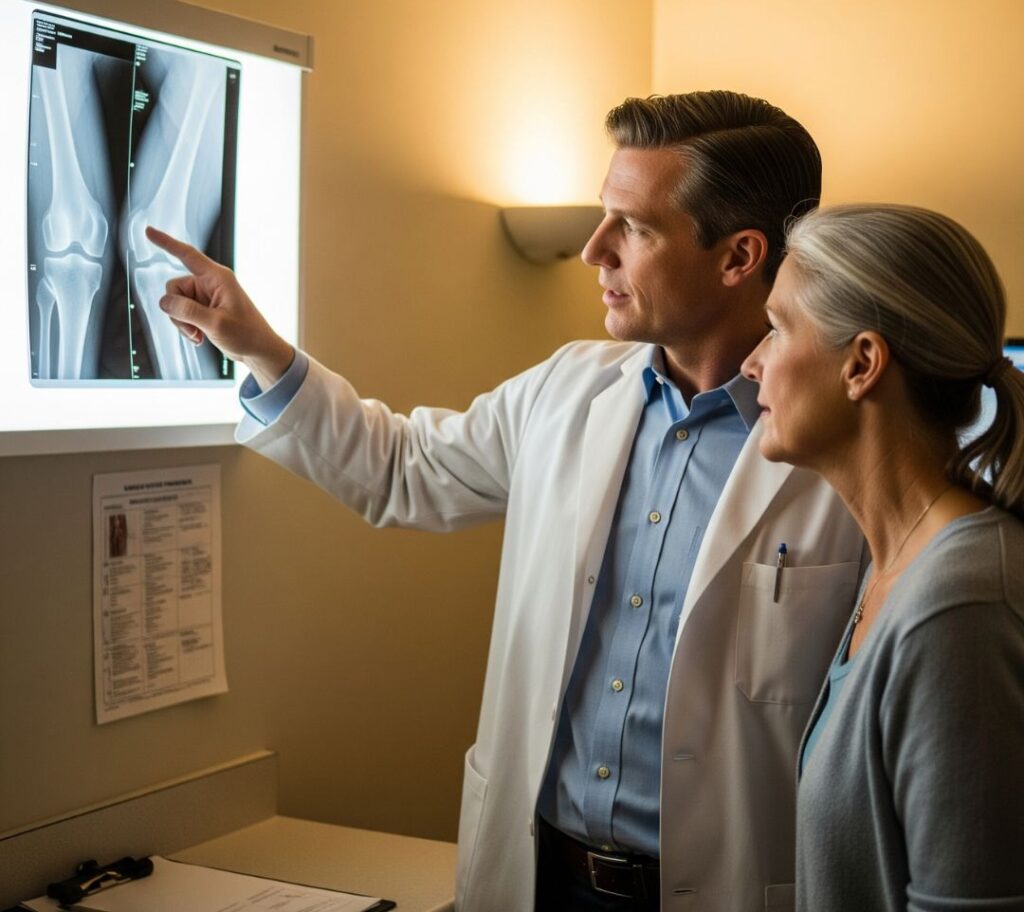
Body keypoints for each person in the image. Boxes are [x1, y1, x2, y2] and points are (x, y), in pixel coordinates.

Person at [147, 91, 866, 912]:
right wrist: (262, 351)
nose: (594, 249)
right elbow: (402, 471)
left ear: (739, 256)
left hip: (736, 889)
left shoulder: (847, 439)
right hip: (538, 877)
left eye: (632, 227)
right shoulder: (569, 388)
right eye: (603, 217)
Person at [741, 203, 1024, 911]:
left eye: (776, 329)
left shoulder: (959, 607)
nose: (752, 361)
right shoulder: (897, 566)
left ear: (862, 363)